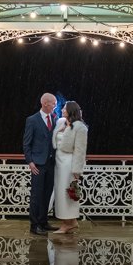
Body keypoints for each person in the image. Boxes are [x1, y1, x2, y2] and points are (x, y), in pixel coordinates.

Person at [51, 100, 88, 235]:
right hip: (59, 163)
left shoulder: (80, 127)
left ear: (71, 110)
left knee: (68, 193)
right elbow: (54, 140)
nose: (62, 110)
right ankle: (71, 222)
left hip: (69, 164)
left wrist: (77, 170)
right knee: (60, 193)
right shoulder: (61, 122)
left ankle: (67, 224)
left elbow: (80, 150)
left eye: (65, 109)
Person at [23, 93, 57, 235]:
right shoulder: (32, 120)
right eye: (53, 104)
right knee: (37, 195)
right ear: (45, 103)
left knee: (47, 193)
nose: (55, 106)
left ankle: (43, 222)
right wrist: (30, 162)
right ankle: (34, 225)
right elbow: (26, 143)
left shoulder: (54, 120)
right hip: (37, 164)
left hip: (51, 163)